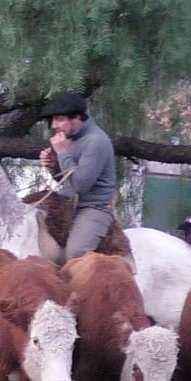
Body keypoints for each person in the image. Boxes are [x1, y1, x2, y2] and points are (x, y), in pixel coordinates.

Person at [38, 92, 118, 261]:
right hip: (69, 204)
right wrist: (54, 165)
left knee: (74, 254)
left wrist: (62, 153)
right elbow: (68, 182)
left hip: (93, 208)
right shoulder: (72, 138)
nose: (54, 125)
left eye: (59, 119)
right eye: (53, 120)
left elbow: (80, 186)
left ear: (77, 118)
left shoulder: (96, 141)